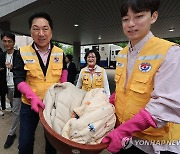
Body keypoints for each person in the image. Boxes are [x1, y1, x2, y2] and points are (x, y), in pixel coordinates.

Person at [102, 0, 180, 154]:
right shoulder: (122, 54)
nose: (131, 24)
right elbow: (124, 90)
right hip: (126, 140)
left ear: (153, 16)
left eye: (138, 16)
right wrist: (110, 101)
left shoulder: (170, 53)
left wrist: (124, 130)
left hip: (156, 144)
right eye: (125, 19)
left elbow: (166, 104)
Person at [13, 12, 68, 154]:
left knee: (52, 143)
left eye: (45, 28)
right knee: (24, 145)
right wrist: (32, 97)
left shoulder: (59, 52)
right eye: (36, 28)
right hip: (29, 105)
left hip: (52, 105)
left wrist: (64, 85)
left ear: (51, 31)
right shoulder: (22, 52)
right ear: (30, 31)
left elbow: (64, 70)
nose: (41, 33)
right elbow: (18, 78)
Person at [0, 31, 22, 148]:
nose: (7, 43)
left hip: (18, 87)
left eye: (9, 41)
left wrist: (13, 67)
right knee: (16, 108)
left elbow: (24, 70)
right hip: (6, 87)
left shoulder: (19, 54)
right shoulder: (1, 55)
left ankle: (11, 133)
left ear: (13, 42)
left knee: (15, 111)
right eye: (4, 41)